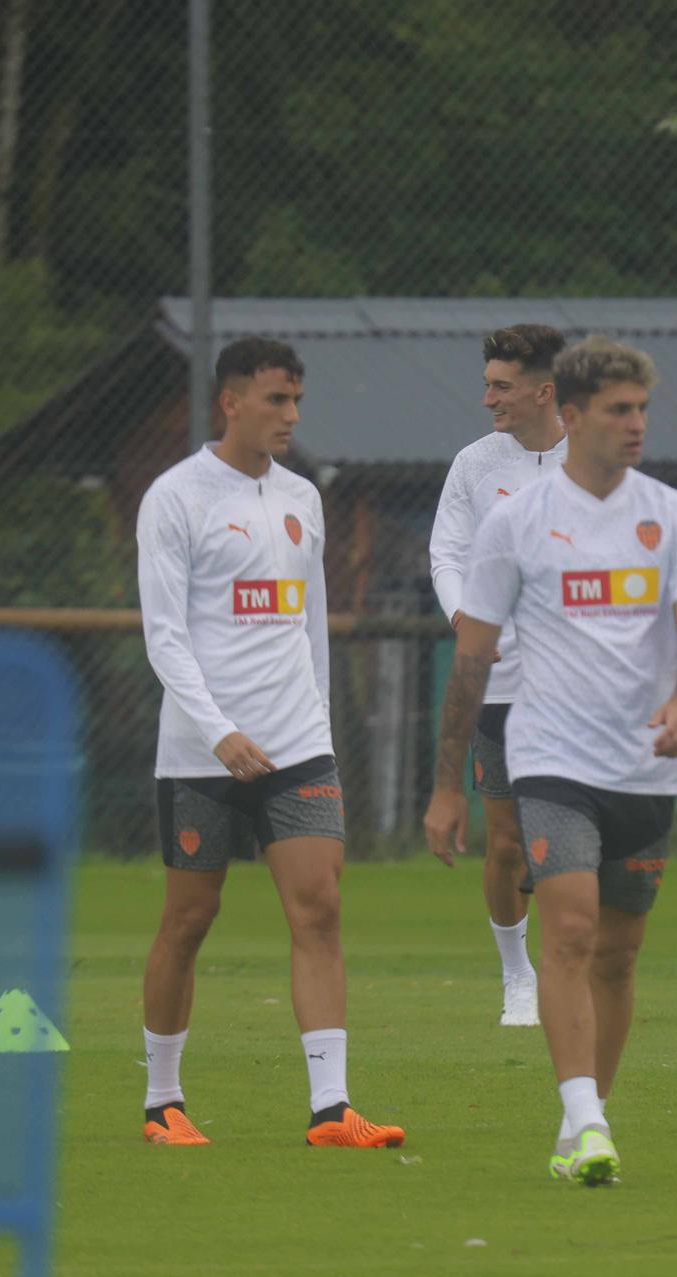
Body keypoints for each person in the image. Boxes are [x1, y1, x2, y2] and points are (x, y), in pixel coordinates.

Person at [424, 336, 677, 1185]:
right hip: (548, 757)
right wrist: (449, 785)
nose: (636, 424)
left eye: (642, 409)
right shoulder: (515, 518)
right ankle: (588, 1119)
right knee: (573, 930)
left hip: (646, 768)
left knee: (619, 955)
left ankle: (581, 1116)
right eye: (619, 410)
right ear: (577, 413)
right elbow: (472, 658)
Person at [136, 337, 404, 1148]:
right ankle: (162, 1101)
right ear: (231, 402)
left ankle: (332, 1109)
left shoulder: (302, 497)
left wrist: (315, 727)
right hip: (201, 750)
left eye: (296, 401)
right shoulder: (175, 496)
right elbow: (164, 633)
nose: (291, 415)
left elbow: (310, 623)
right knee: (191, 916)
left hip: (297, 746)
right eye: (276, 400)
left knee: (319, 909)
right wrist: (218, 730)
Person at [429, 323, 569, 1027]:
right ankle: (518, 977)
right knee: (508, 839)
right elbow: (446, 553)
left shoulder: (599, 461)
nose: (488, 399)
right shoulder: (475, 465)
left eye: (501, 386)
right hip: (503, 687)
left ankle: (579, 975)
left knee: (581, 838)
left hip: (583, 692)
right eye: (487, 383)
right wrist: (466, 620)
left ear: (545, 391)